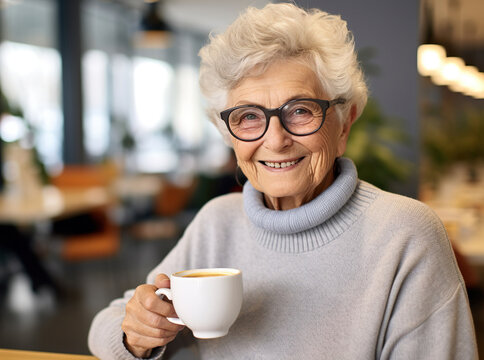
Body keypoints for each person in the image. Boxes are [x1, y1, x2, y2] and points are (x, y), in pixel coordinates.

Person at [88, 4, 477, 359]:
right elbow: (108, 327)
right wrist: (137, 334)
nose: (275, 140)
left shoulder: (405, 234)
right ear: (230, 136)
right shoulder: (217, 223)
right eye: (248, 117)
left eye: (301, 110)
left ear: (345, 123)